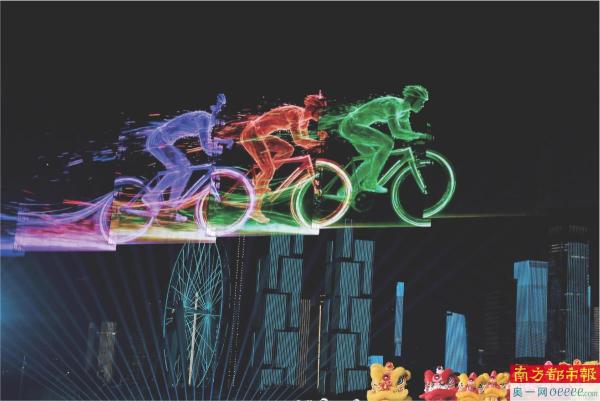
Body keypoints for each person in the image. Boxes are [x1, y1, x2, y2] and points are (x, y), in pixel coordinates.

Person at [240, 93, 327, 223]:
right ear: (312, 108)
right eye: (321, 110)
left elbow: (304, 142)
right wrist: (319, 143)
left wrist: (319, 141)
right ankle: (254, 209)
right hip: (251, 134)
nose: (322, 114)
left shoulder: (304, 121)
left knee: (287, 150)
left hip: (260, 136)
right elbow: (298, 140)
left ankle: (260, 177)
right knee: (269, 170)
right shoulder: (295, 113)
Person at [143, 93, 231, 220]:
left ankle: (171, 208)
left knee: (183, 169)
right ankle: (154, 198)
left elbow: (208, 144)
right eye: (221, 118)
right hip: (159, 140)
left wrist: (223, 143)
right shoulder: (204, 119)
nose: (222, 122)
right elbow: (206, 146)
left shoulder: (207, 122)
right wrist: (218, 148)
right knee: (181, 169)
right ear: (214, 111)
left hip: (161, 140)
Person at [338, 85, 431, 194]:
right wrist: (420, 136)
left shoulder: (405, 112)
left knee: (372, 160)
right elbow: (396, 132)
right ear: (413, 99)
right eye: (421, 101)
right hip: (351, 125)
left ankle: (344, 191)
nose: (422, 105)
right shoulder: (393, 105)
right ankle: (370, 182)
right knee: (388, 143)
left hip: (350, 125)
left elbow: (407, 133)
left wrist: (417, 138)